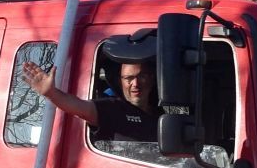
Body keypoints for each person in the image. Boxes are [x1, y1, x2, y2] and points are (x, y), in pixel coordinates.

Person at [20, 33, 159, 145]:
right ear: (120, 82)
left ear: (152, 78)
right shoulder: (113, 109)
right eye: (128, 78)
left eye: (142, 76)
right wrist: (52, 93)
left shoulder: (161, 114)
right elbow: (80, 108)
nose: (135, 83)